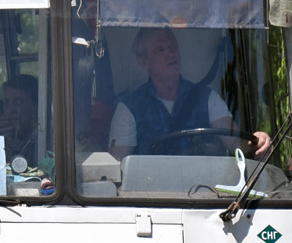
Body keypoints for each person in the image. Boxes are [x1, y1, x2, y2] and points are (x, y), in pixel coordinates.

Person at [107, 27, 270, 160]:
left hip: (205, 193)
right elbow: (118, 164)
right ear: (144, 62)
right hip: (149, 196)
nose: (170, 53)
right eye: (160, 50)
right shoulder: (129, 108)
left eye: (172, 47)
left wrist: (255, 142)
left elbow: (234, 141)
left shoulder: (206, 98)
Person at [0, 72, 39, 166]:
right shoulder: (2, 138)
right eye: (6, 102)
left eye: (18, 102)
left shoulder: (43, 137)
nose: (10, 110)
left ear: (35, 106)